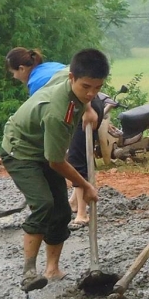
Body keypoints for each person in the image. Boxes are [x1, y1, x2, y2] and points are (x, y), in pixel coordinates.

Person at [0, 48, 107, 292]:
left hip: (45, 148)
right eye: (86, 87)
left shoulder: (64, 75)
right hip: (20, 150)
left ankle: (52, 269)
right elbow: (56, 161)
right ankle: (28, 272)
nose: (91, 93)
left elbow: (55, 157)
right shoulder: (59, 112)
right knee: (44, 204)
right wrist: (86, 185)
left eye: (97, 88)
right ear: (72, 79)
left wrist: (88, 107)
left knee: (60, 211)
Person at [65, 87, 107, 226]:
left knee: (77, 162)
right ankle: (74, 202)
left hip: (86, 108)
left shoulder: (36, 81)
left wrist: (87, 109)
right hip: (90, 105)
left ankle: (82, 214)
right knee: (80, 156)